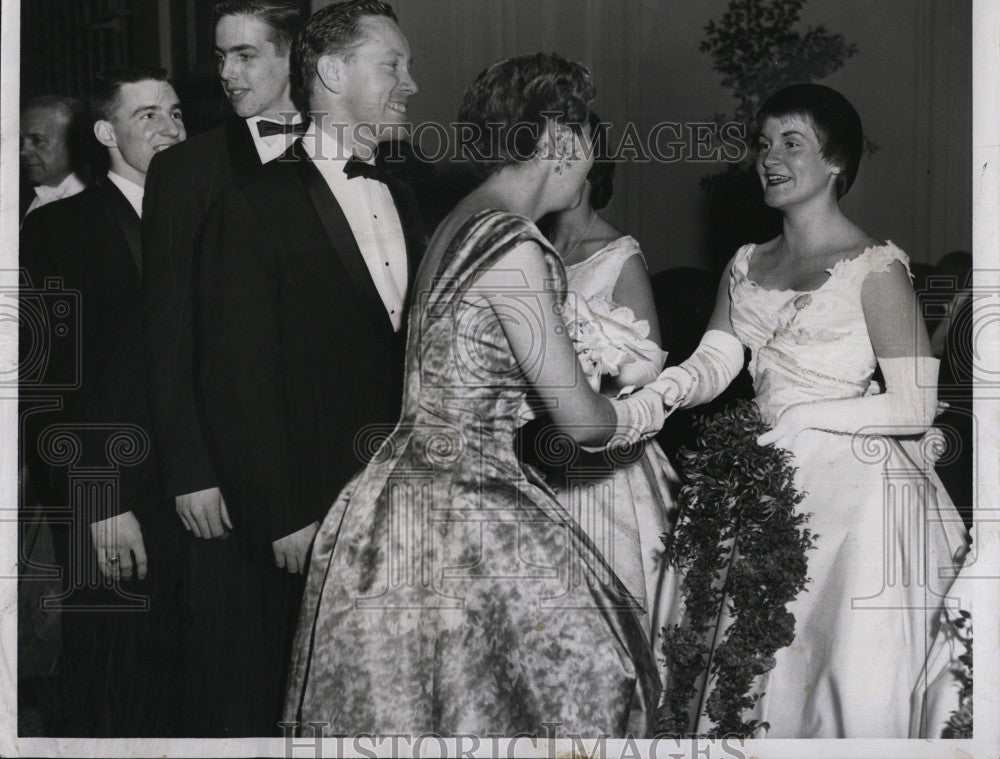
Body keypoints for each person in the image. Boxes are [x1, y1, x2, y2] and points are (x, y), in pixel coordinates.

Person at [283, 53, 671, 737]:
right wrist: (657, 398)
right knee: (592, 680)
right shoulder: (515, 245)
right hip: (464, 504)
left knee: (434, 707)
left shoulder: (459, 220)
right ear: (561, 140)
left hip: (396, 499)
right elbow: (580, 421)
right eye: (584, 142)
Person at [651, 83, 968, 737]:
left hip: (853, 488)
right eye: (763, 143)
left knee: (823, 664)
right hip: (754, 476)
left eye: (791, 142)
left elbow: (914, 403)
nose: (770, 156)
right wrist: (658, 393)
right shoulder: (746, 263)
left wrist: (804, 419)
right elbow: (718, 358)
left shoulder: (873, 268)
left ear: (835, 162)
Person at [196, 0, 426, 735]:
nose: (411, 83)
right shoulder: (251, 202)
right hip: (314, 514)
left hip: (415, 508)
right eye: (393, 64)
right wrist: (285, 512)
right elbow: (238, 379)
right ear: (331, 71)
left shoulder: (419, 189)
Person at [140, 0, 305, 736]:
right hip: (227, 482)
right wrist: (191, 467)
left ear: (293, 57)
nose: (228, 74)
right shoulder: (184, 171)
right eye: (220, 56)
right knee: (234, 685)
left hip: (334, 466)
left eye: (246, 54)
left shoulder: (360, 156)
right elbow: (167, 329)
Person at [19, 66, 187, 735]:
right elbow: (48, 384)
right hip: (106, 496)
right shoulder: (60, 228)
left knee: (177, 685)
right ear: (104, 132)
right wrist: (97, 500)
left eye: (175, 112)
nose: (170, 127)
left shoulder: (207, 213)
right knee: (109, 683)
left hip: (193, 498)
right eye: (146, 115)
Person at [539, 111, 679, 654]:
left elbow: (649, 371)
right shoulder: (526, 248)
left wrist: (592, 371)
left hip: (602, 458)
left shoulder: (620, 255)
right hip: (532, 449)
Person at [20, 95, 92, 220]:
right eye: (21, 141)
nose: (23, 152)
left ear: (74, 142)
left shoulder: (100, 205)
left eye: (37, 140)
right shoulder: (16, 200)